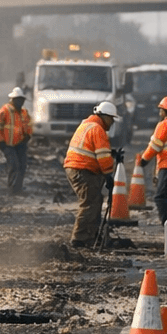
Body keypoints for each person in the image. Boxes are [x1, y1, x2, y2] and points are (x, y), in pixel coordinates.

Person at [63, 100, 118, 248]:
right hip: (82, 169)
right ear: (105, 116)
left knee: (95, 199)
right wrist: (108, 175)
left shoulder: (87, 125)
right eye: (111, 119)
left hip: (77, 167)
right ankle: (79, 238)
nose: (112, 123)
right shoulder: (98, 129)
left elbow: (92, 149)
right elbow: (102, 156)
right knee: (89, 203)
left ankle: (91, 234)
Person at [0, 87, 33, 193]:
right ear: (13, 99)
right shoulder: (5, 110)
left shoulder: (24, 112)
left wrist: (28, 135)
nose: (20, 101)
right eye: (18, 99)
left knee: (22, 166)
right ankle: (12, 189)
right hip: (7, 144)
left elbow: (28, 125)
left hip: (21, 144)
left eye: (21, 99)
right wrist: (0, 142)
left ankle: (18, 189)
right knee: (14, 165)